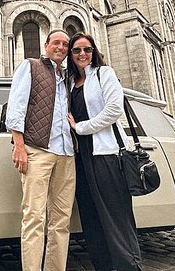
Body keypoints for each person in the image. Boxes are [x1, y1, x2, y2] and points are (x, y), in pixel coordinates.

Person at [66, 32, 143, 271]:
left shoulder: (104, 74)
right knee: (92, 219)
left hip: (105, 155)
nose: (82, 54)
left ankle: (129, 267)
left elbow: (113, 110)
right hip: (80, 157)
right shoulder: (70, 82)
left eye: (87, 49)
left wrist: (80, 128)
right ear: (71, 54)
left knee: (116, 218)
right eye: (77, 50)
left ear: (94, 51)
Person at [5, 29, 76, 271]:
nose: (61, 47)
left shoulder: (69, 77)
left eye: (65, 44)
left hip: (66, 153)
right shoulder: (31, 66)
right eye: (56, 42)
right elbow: (16, 104)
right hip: (38, 150)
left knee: (61, 221)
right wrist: (19, 146)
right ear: (46, 45)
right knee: (34, 217)